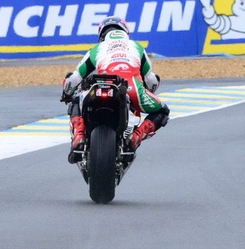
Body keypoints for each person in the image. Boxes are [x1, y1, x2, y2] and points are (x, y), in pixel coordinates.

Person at [61, 17, 168, 163]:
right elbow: (151, 80)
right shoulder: (137, 47)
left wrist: (67, 93)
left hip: (98, 88)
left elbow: (73, 79)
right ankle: (135, 137)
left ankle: (79, 136)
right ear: (126, 32)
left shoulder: (96, 49)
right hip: (131, 88)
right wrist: (149, 91)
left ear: (102, 35)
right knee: (162, 110)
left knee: (75, 101)